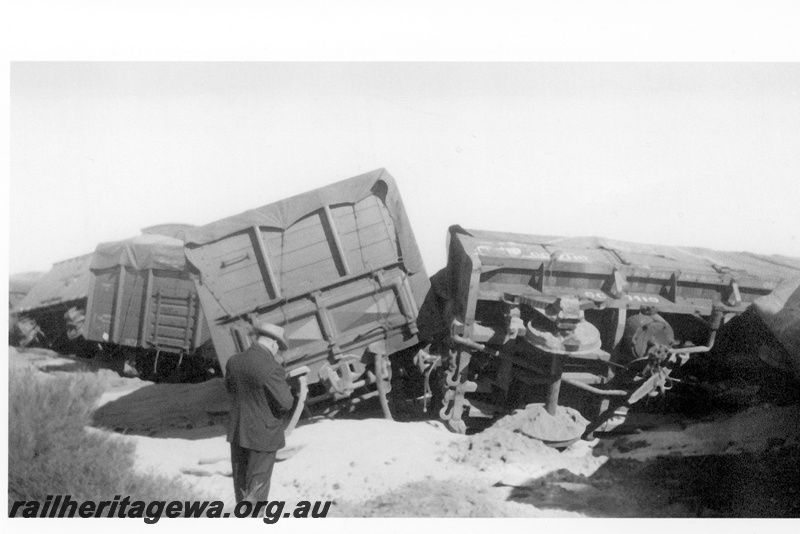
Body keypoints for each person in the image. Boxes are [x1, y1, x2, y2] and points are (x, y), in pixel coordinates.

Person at [225, 321, 294, 502]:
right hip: (263, 435)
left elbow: (231, 390)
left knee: (240, 485)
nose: (276, 351)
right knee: (257, 486)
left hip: (238, 431)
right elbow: (286, 403)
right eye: (277, 347)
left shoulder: (233, 362)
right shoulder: (272, 368)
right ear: (272, 342)